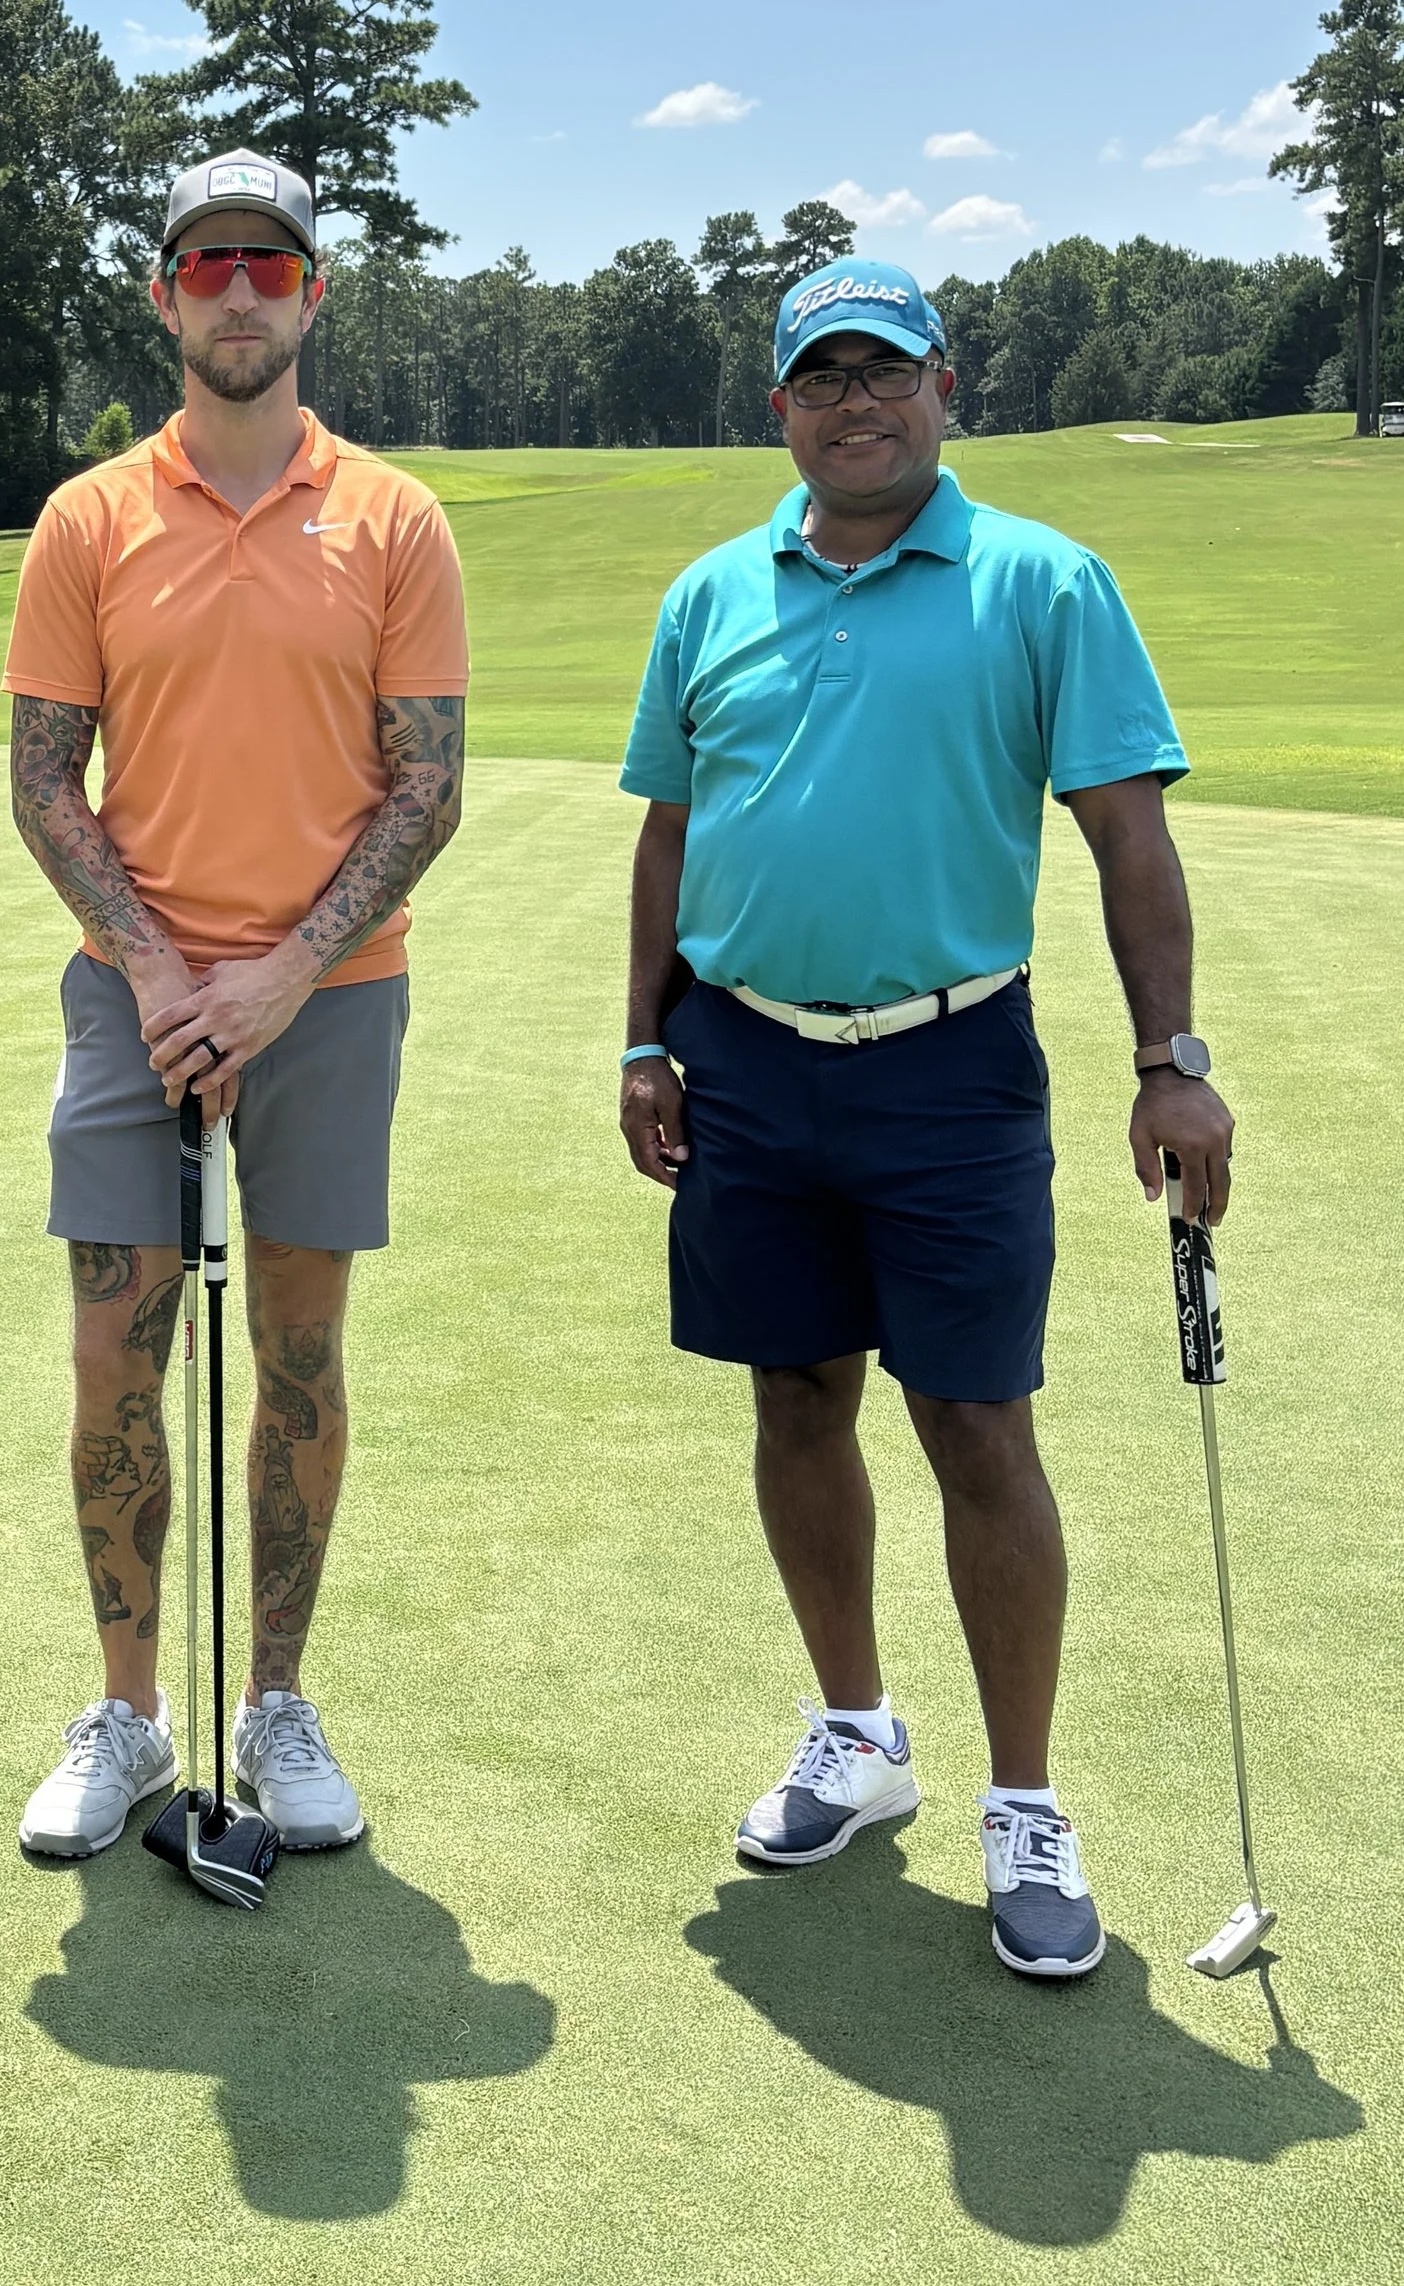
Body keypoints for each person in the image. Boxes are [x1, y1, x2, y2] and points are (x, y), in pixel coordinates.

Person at [615, 255, 1235, 1981]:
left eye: (888, 372)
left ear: (947, 389)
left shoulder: (1042, 581)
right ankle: (858, 1734)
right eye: (824, 378)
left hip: (953, 1067)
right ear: (781, 410)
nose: (857, 402)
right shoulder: (713, 594)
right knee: (796, 1399)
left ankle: (1024, 1802)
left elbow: (1129, 841)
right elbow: (668, 838)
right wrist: (642, 1044)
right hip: (743, 1058)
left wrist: (1169, 1058)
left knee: (978, 1426)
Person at [3, 148, 469, 1860]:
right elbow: (48, 777)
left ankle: (274, 1702)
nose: (241, 292)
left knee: (301, 1356)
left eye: (270, 264)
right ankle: (129, 1715)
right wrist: (158, 972)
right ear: (165, 296)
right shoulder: (90, 518)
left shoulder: (397, 520)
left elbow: (426, 787)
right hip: (134, 995)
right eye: (209, 265)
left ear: (314, 293)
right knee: (116, 1356)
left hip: (330, 996)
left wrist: (274, 977)